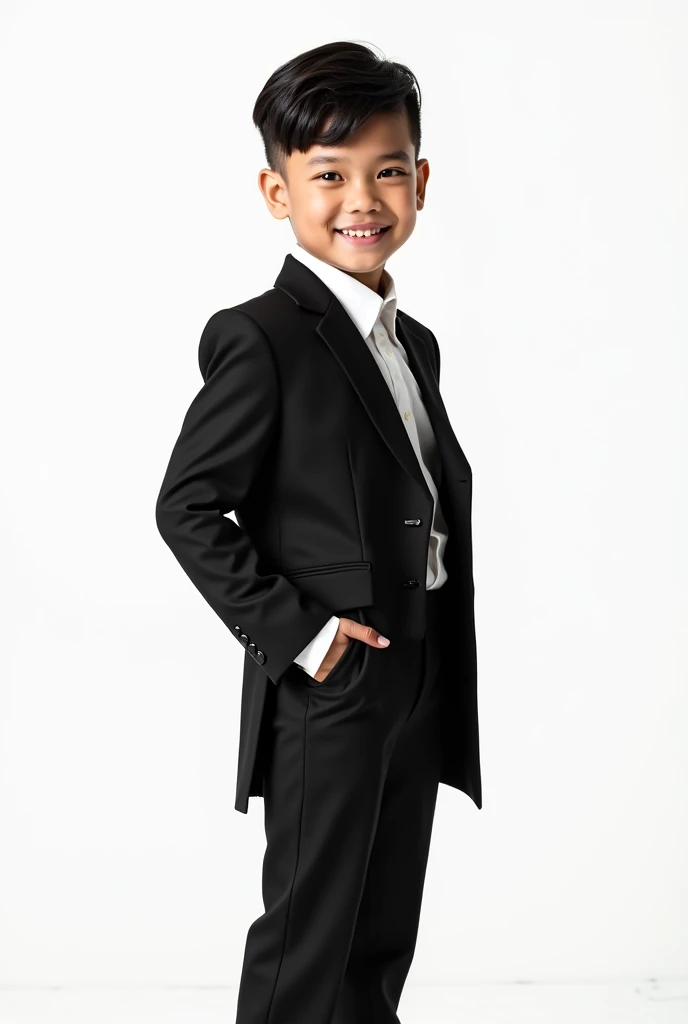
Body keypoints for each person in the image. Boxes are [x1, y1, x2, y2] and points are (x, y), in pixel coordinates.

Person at [155, 39, 481, 1024]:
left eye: (387, 171)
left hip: (420, 661)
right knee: (309, 935)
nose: (362, 200)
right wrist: (305, 634)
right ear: (275, 190)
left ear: (419, 181)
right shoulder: (262, 335)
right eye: (328, 175)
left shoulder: (409, 341)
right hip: (331, 679)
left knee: (379, 939)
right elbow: (186, 506)